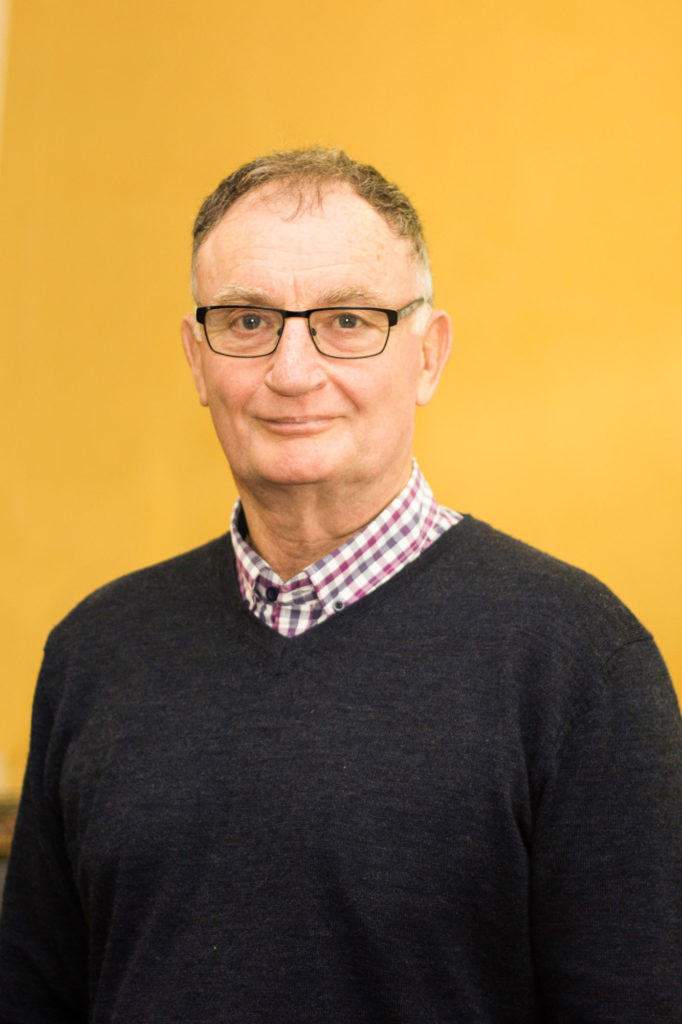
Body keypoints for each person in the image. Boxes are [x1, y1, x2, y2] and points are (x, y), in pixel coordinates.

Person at [1, 147, 680, 1023]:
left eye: (349, 320)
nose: (292, 370)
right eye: (248, 321)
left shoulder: (581, 661)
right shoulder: (95, 652)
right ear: (197, 360)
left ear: (429, 356)